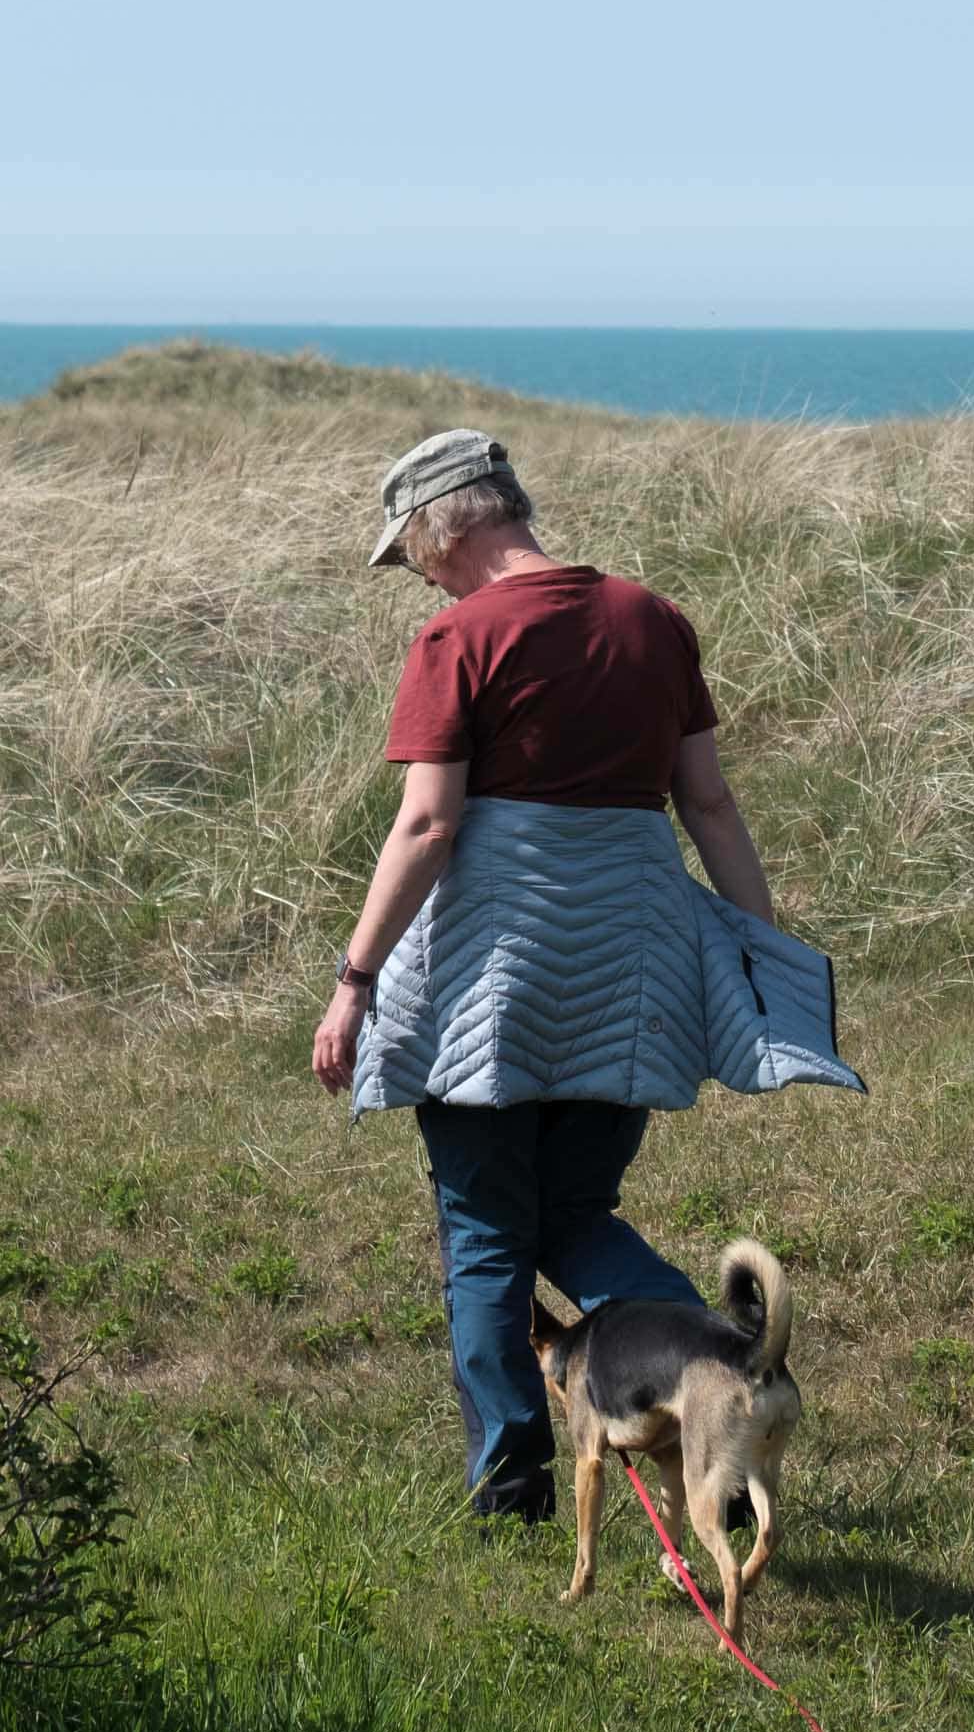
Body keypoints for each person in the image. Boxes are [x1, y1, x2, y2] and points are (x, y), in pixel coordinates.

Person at [312, 427, 862, 1523]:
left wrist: (354, 976)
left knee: (484, 1231)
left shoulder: (456, 636)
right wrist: (761, 949)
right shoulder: (652, 622)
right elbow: (705, 802)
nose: (412, 571)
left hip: (491, 982)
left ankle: (510, 1483)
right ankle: (721, 1386)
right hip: (633, 967)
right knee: (573, 1213)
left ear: (443, 525)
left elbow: (426, 824)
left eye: (408, 549)